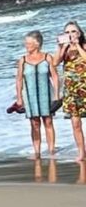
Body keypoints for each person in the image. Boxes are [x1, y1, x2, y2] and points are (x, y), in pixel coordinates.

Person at [16, 30, 60, 161]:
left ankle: (51, 150)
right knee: (34, 123)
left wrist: (57, 94)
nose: (26, 45)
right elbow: (19, 80)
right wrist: (19, 98)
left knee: (48, 121)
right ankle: (37, 152)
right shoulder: (23, 60)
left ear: (37, 44)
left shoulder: (47, 57)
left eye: (28, 43)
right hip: (30, 96)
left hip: (46, 94)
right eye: (26, 43)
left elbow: (55, 76)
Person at [53, 21, 86, 163]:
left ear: (79, 33)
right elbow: (55, 62)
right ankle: (81, 152)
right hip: (71, 90)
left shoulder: (83, 46)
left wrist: (77, 45)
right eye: (67, 32)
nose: (70, 34)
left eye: (73, 31)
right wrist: (61, 47)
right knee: (75, 123)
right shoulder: (64, 48)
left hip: (84, 88)